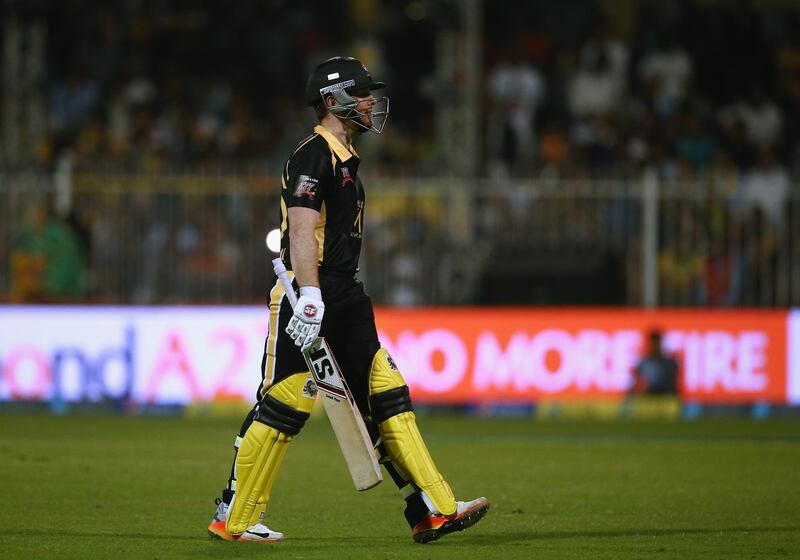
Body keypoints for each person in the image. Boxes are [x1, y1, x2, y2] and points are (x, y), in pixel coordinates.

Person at [207, 56, 489, 544]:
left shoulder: (342, 159)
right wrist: (310, 293)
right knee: (285, 401)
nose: (370, 102)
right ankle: (235, 517)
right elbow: (299, 227)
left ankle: (433, 506)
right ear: (332, 100)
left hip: (343, 290)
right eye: (360, 93)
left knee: (385, 389)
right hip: (309, 291)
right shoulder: (314, 154)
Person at [631, 329, 679, 395]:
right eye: (653, 343)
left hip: (666, 398)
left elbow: (674, 385)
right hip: (649, 399)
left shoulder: (670, 363)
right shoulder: (644, 363)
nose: (655, 346)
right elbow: (635, 383)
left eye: (657, 343)